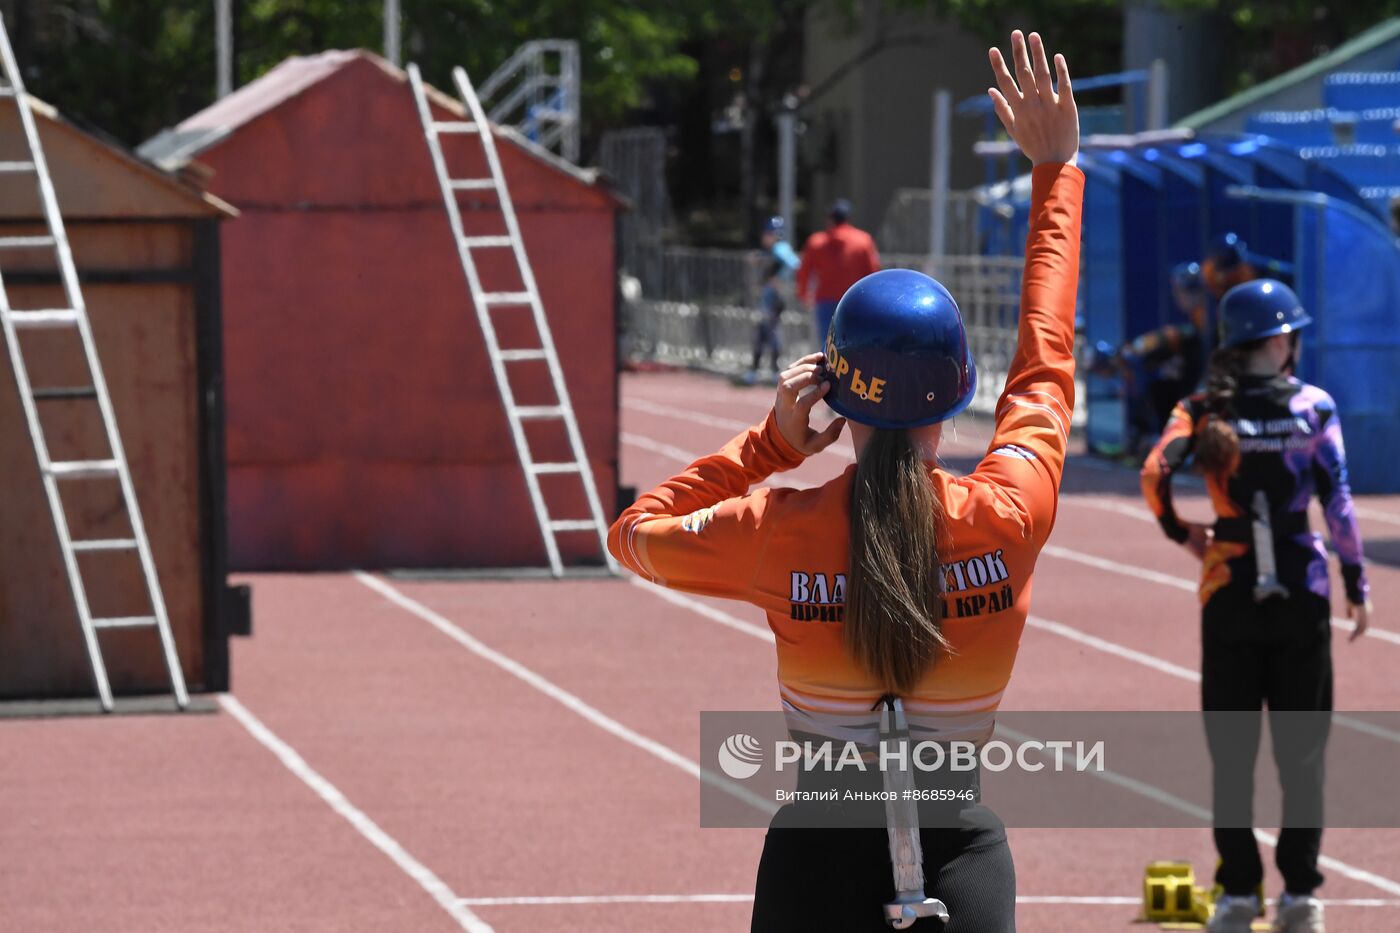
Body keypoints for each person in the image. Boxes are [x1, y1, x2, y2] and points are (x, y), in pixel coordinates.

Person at [609, 29, 1081, 931]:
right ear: (955, 394)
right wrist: (1056, 172)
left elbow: (634, 532)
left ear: (833, 387)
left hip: (816, 848)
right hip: (962, 841)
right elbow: (1046, 360)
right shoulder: (1009, 512)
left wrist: (770, 449)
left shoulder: (774, 528)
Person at [1140, 280, 1373, 933]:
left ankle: (1238, 892)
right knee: (1303, 752)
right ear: (1279, 339)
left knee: (1233, 751)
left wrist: (1180, 531)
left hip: (1228, 588)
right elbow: (1342, 504)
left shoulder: (1199, 405)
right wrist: (1357, 583)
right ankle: (1301, 894)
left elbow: (1155, 472)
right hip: (1302, 588)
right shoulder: (1314, 406)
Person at [796, 197, 880, 350]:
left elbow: (804, 271)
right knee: (855, 343)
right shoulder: (863, 241)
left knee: (827, 343)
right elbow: (873, 273)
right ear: (848, 218)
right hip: (855, 301)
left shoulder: (816, 242)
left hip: (825, 300)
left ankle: (826, 373)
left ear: (830, 219)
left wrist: (803, 294)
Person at [745, 215, 801, 385]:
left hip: (774, 299)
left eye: (768, 234)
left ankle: (771, 371)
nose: (765, 237)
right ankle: (758, 370)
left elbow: (794, 264)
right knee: (763, 333)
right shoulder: (773, 251)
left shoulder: (780, 248)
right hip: (768, 299)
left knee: (770, 333)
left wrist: (777, 279)